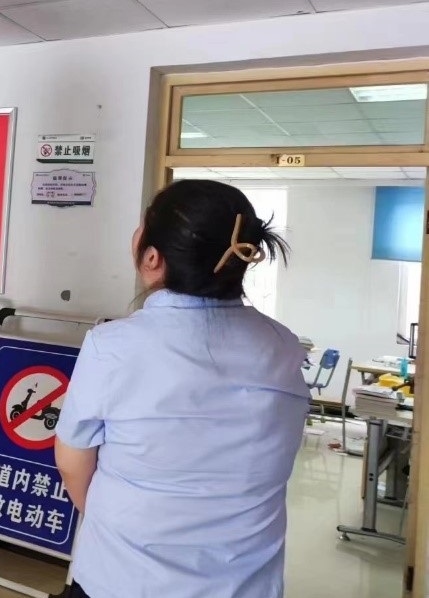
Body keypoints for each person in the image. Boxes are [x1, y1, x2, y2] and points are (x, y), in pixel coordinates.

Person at [54, 180, 309, 598]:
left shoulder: (112, 345)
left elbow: (72, 462)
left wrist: (114, 527)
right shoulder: (283, 346)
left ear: (152, 258)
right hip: (244, 585)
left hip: (122, 579)